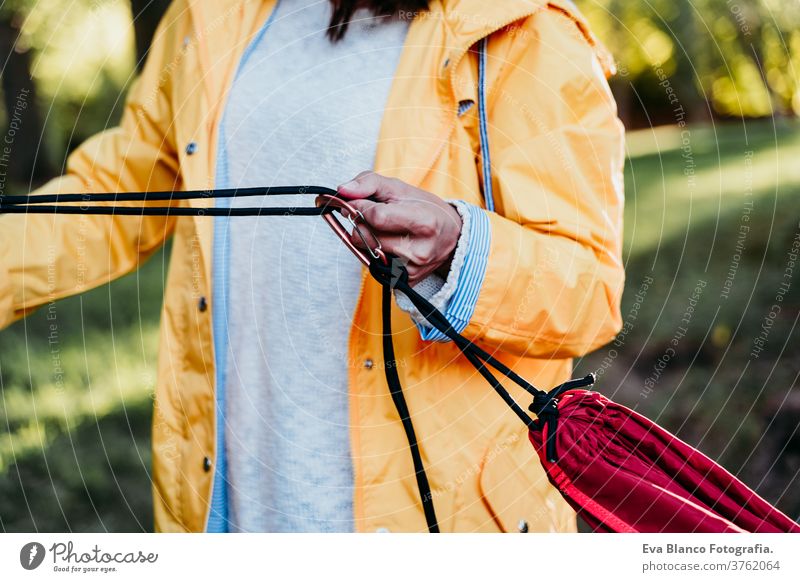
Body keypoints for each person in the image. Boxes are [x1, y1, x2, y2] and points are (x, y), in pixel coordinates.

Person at [0, 0, 625, 532]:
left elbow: (589, 287)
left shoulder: (522, 28)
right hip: (233, 506)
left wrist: (461, 248)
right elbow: (115, 194)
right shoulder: (210, 15)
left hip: (435, 520)